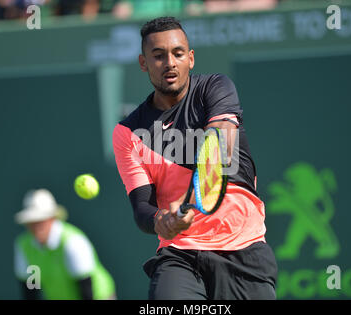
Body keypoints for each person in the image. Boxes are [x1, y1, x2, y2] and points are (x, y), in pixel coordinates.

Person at [112, 16, 277, 299]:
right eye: (158, 56)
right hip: (180, 254)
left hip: (244, 248)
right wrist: (161, 220)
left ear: (190, 58)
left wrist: (189, 197)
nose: (170, 63)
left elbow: (219, 148)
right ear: (143, 63)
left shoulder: (216, 88)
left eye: (177, 54)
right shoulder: (127, 132)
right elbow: (141, 208)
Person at [13, 189, 116, 300]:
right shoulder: (24, 245)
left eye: (41, 220)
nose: (36, 226)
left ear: (52, 218)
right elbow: (31, 288)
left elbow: (85, 287)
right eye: (32, 221)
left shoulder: (72, 241)